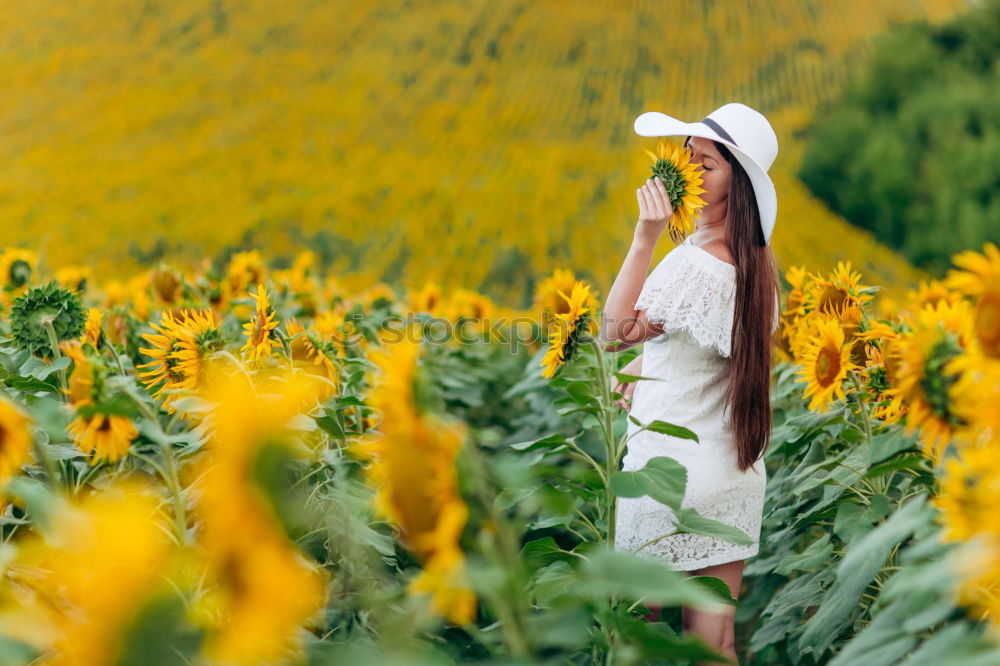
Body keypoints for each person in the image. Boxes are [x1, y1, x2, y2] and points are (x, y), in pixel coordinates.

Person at [599, 102, 781, 665]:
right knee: (716, 642)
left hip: (668, 474)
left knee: (639, 634)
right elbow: (692, 350)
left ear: (738, 184)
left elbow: (614, 332)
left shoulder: (695, 263)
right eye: (691, 158)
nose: (692, 172)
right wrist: (640, 368)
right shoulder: (758, 269)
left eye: (709, 164)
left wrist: (643, 236)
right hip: (732, 475)